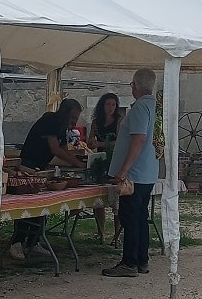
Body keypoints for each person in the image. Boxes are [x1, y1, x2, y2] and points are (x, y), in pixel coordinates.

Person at [102, 68, 161, 278]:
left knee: (130, 217)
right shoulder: (156, 107)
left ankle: (130, 262)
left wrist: (123, 170)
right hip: (147, 171)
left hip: (134, 173)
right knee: (140, 217)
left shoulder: (140, 107)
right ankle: (141, 259)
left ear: (134, 86)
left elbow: (139, 138)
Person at [9, 98, 84, 260]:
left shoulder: (62, 127)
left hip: (40, 166)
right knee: (28, 204)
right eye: (73, 118)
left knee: (41, 205)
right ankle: (17, 242)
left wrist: (76, 161)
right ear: (65, 113)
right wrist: (77, 163)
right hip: (28, 165)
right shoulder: (50, 120)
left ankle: (33, 242)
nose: (74, 122)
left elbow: (64, 149)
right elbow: (55, 148)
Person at [89, 93, 124, 244]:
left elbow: (120, 141)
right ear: (102, 106)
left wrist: (101, 144)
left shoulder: (119, 121)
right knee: (98, 198)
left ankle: (117, 234)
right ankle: (100, 232)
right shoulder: (96, 122)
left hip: (114, 159)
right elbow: (90, 139)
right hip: (100, 160)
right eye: (107, 104)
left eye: (113, 105)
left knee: (116, 198)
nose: (110, 108)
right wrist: (90, 143)